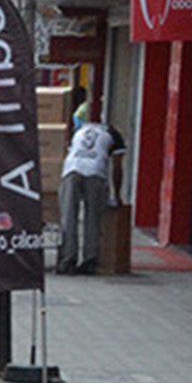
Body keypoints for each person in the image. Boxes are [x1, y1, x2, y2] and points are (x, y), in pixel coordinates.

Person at [56, 112, 124, 275]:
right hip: (96, 172)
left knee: (68, 217)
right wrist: (117, 194)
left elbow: (69, 154)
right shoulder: (113, 134)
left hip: (72, 170)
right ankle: (90, 260)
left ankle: (68, 260)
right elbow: (117, 167)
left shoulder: (78, 130)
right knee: (93, 217)